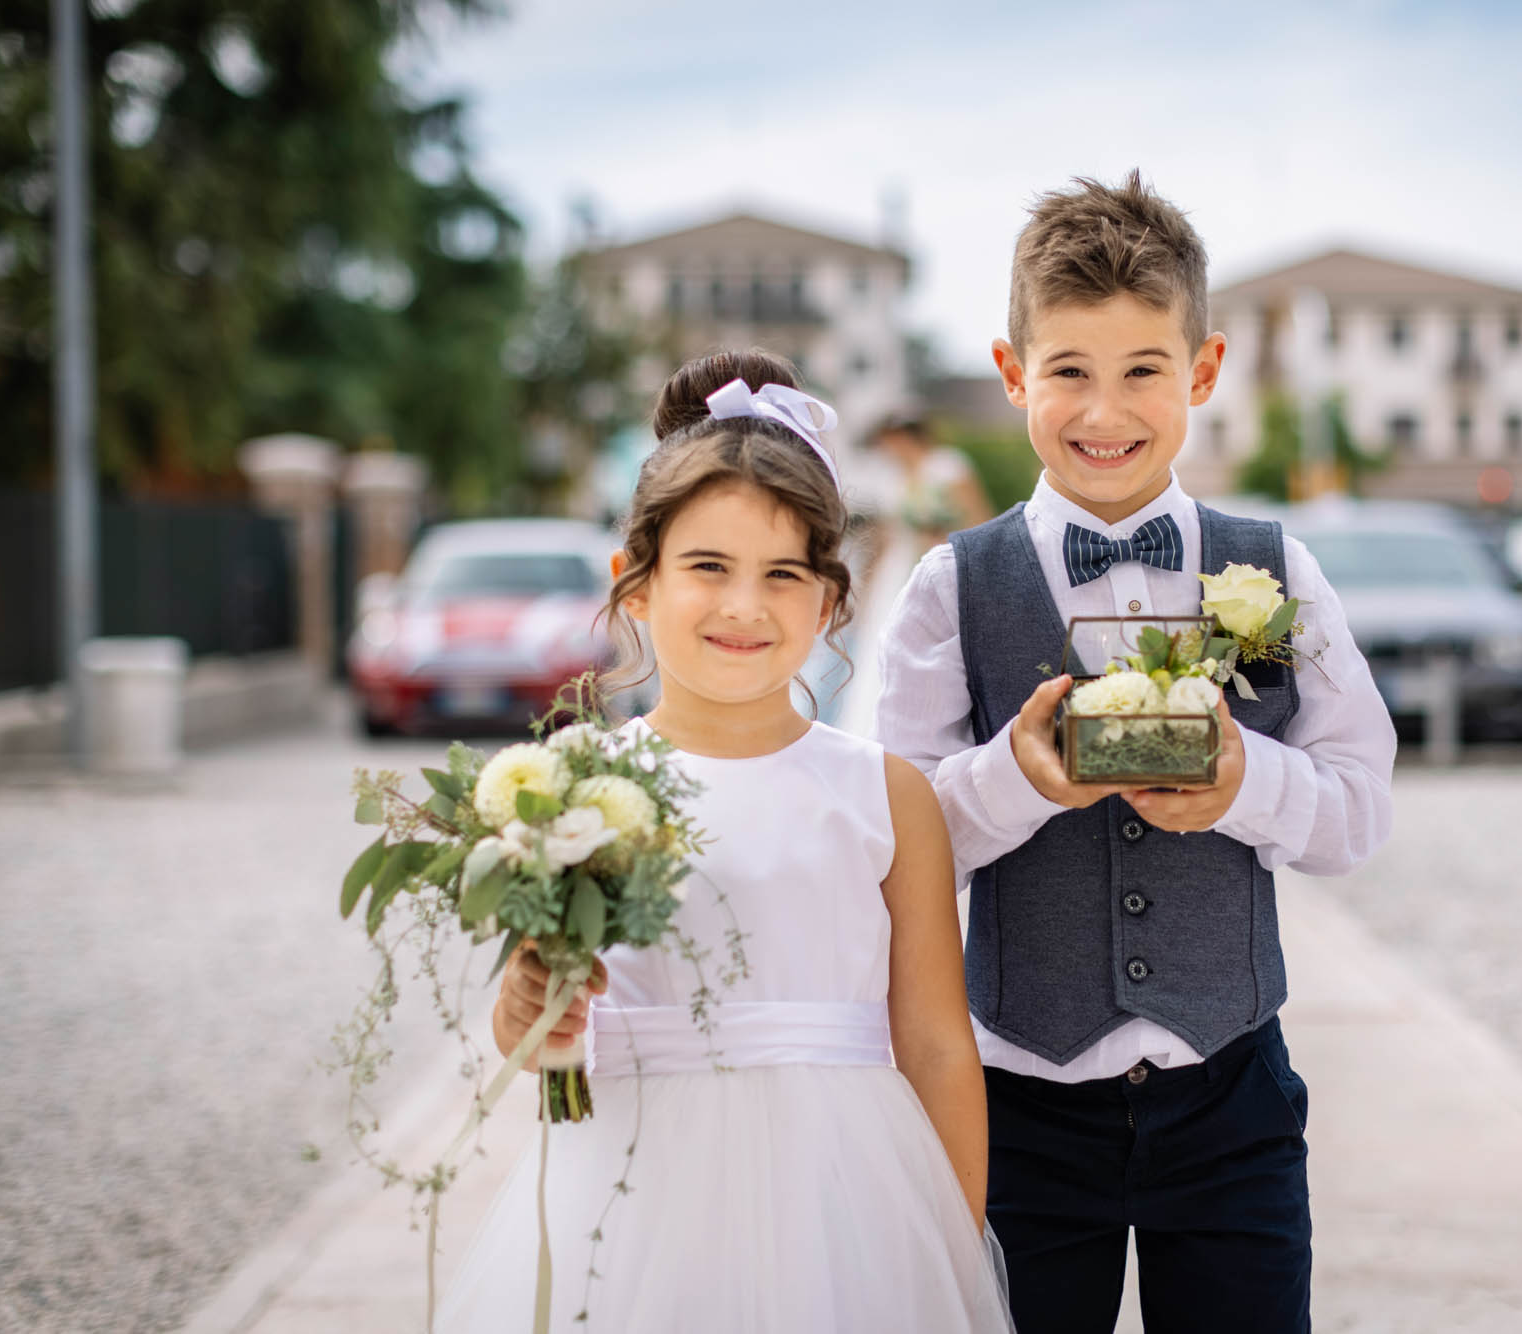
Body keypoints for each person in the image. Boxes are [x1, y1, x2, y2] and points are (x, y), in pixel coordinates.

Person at [875, 173, 1396, 1333]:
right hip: (1015, 1107)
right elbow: (892, 841)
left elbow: (1359, 811)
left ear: (1201, 372)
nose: (1101, 409)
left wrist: (1239, 785)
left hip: (1233, 1099)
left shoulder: (1277, 569)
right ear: (1012, 374)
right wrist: (1016, 777)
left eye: (1140, 372)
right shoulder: (946, 587)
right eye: (1067, 371)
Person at [435, 349, 1014, 1333]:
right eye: (707, 566)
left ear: (830, 598)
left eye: (782, 574)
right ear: (636, 581)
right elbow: (526, 1026)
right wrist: (530, 1007)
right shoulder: (575, 781)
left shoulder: (883, 793)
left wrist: (950, 1255)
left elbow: (934, 1041)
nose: (744, 605)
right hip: (628, 1192)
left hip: (844, 1198)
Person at [836, 413, 995, 738]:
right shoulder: (892, 478)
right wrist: (865, 591)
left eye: (889, 441)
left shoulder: (948, 466)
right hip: (898, 568)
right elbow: (888, 536)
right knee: (883, 641)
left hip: (941, 559)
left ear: (904, 436)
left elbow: (979, 519)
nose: (887, 449)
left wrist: (944, 539)